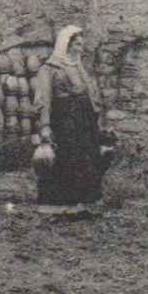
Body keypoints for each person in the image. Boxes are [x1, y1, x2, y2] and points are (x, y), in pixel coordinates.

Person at [33, 25, 112, 212]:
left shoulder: (78, 66)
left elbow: (89, 93)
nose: (80, 48)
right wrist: (44, 126)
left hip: (83, 120)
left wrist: (96, 116)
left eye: (81, 44)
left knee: (86, 157)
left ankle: (87, 198)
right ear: (66, 45)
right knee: (67, 157)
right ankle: (62, 202)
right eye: (77, 44)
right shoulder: (50, 69)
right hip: (64, 120)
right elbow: (43, 98)